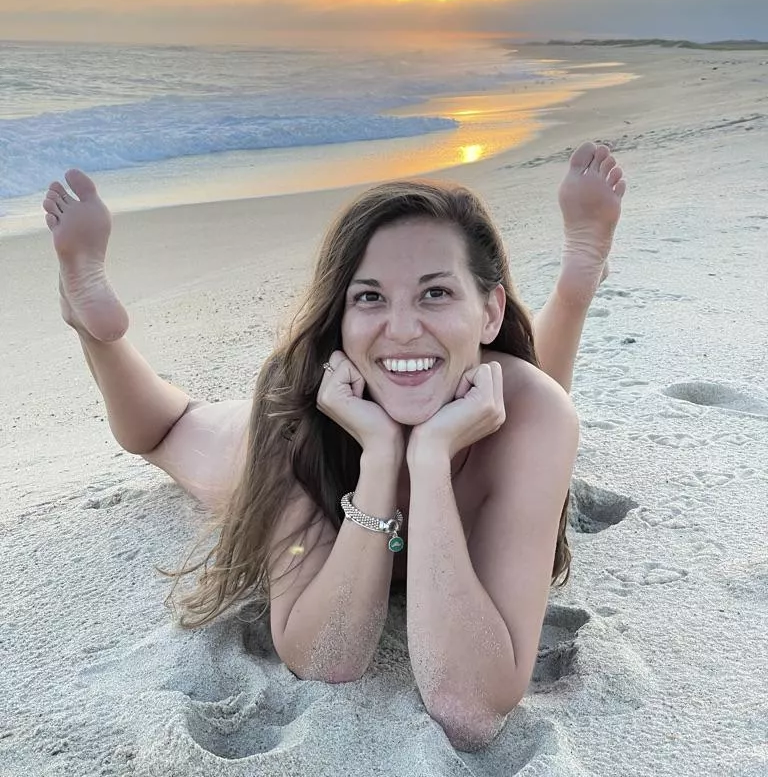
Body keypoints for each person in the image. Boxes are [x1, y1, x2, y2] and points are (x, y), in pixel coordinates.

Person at [42, 141, 626, 751]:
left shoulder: (533, 411)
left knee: (538, 411)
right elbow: (325, 659)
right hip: (295, 430)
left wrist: (427, 462)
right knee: (166, 428)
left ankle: (574, 292)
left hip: (493, 397)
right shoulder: (298, 412)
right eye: (369, 296)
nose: (400, 328)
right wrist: (379, 455)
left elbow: (470, 704)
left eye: (435, 293)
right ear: (339, 320)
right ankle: (96, 331)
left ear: (490, 310)